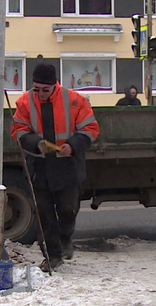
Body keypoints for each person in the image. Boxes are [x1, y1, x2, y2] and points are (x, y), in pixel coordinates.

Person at [11, 63, 100, 272]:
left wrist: (73, 146)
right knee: (44, 217)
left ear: (55, 86)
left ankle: (65, 238)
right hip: (39, 167)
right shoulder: (24, 102)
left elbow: (90, 129)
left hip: (67, 166)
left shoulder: (74, 100)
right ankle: (52, 256)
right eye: (37, 89)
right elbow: (18, 130)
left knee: (67, 210)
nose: (40, 94)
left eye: (45, 90)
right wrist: (35, 143)